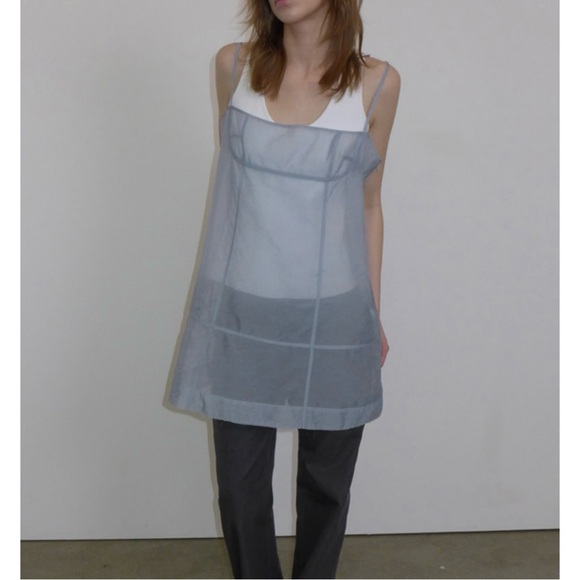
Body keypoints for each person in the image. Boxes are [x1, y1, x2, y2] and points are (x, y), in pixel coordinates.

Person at [168, 0, 401, 577]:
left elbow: (369, 205)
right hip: (243, 308)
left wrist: (372, 313)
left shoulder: (377, 84)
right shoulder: (233, 66)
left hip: (334, 311)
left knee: (327, 485)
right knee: (239, 486)